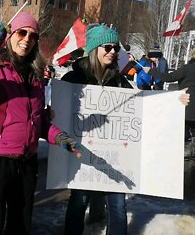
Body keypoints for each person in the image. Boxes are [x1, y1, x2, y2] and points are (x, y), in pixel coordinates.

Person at [0, 12, 80, 234]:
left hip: (26, 162)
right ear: (10, 35)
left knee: (20, 226)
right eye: (22, 32)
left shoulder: (36, 77)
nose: (27, 39)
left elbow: (37, 121)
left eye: (33, 35)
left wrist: (58, 136)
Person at [61, 24, 189, 235]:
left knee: (118, 207)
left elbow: (142, 106)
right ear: (94, 49)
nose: (113, 52)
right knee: (78, 202)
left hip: (115, 158)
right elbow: (59, 110)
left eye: (116, 48)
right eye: (108, 47)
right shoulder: (73, 79)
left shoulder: (120, 81)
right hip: (84, 157)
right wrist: (54, 113)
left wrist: (173, 102)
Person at [147, 49, 195, 159]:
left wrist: (151, 71)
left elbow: (169, 78)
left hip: (186, 104)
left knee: (184, 130)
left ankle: (186, 152)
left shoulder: (187, 68)